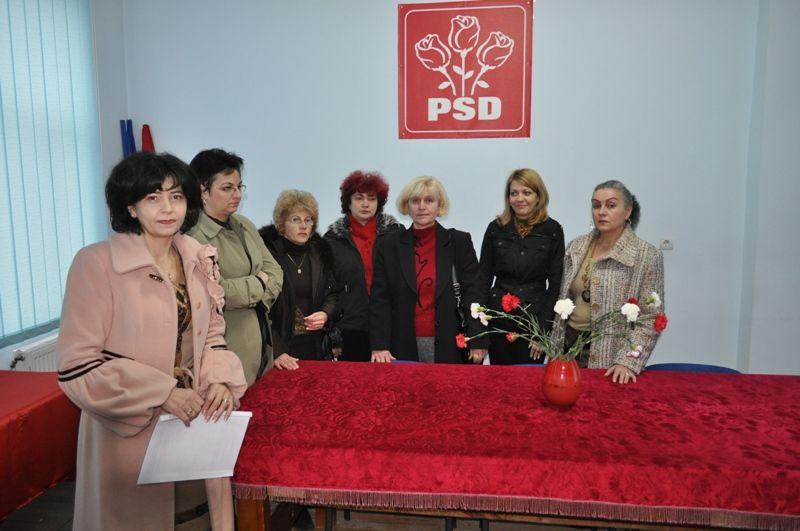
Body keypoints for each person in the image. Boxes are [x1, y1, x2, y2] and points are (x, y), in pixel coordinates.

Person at [56, 152, 247, 530]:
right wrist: (162, 394)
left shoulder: (197, 257)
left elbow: (212, 334)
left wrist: (220, 381)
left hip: (194, 425)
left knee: (198, 519)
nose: (167, 208)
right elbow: (76, 366)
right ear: (130, 206)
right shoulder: (96, 263)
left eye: (176, 196)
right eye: (152, 197)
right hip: (128, 432)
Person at [551, 180, 665, 384]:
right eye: (596, 205)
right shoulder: (576, 247)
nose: (601, 212)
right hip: (567, 345)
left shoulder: (646, 255)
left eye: (611, 205)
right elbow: (563, 299)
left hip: (611, 354)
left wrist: (627, 361)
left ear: (628, 211)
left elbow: (651, 317)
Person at [187, 149, 283, 385]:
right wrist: (259, 282)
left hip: (262, 345)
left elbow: (276, 272)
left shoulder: (244, 224)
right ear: (203, 190)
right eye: (227, 188)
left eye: (240, 187)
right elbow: (215, 293)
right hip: (226, 350)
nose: (237, 195)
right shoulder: (192, 236)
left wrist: (252, 293)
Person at [370, 176, 488, 364]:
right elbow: (379, 299)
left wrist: (478, 339)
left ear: (440, 206)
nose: (421, 207)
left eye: (429, 200)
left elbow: (474, 293)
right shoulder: (388, 245)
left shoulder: (459, 242)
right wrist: (379, 344)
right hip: (400, 345)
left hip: (451, 344)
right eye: (415, 201)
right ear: (406, 205)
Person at [479, 169, 565, 365]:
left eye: (527, 193)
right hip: (498, 320)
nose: (520, 199)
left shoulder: (552, 231)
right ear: (508, 198)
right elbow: (483, 279)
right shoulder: (495, 228)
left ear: (539, 197)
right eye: (514, 193)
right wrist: (481, 327)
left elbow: (556, 285)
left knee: (530, 380)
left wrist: (542, 331)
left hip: (534, 322)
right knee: (500, 379)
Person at [324, 170, 404, 361]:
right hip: (350, 328)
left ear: (379, 203)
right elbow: (327, 288)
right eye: (359, 198)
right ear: (348, 202)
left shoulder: (396, 235)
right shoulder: (331, 240)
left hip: (392, 325)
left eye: (372, 198)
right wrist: (333, 335)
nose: (366, 204)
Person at [259, 190, 339, 370]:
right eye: (296, 220)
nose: (303, 226)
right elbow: (260, 308)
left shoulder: (321, 253)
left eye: (308, 220)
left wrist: (325, 313)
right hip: (280, 349)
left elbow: (333, 294)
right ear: (282, 224)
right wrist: (277, 351)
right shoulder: (267, 256)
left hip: (316, 347)